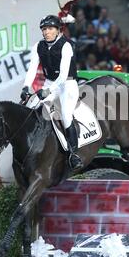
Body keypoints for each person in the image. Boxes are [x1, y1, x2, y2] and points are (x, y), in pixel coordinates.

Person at [20, 15, 83, 170]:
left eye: (50, 28)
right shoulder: (38, 46)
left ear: (58, 30)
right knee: (32, 108)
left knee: (66, 115)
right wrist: (26, 87)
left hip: (67, 84)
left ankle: (74, 154)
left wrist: (47, 90)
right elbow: (32, 69)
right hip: (50, 83)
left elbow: (62, 76)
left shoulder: (66, 46)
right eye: (44, 29)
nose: (46, 32)